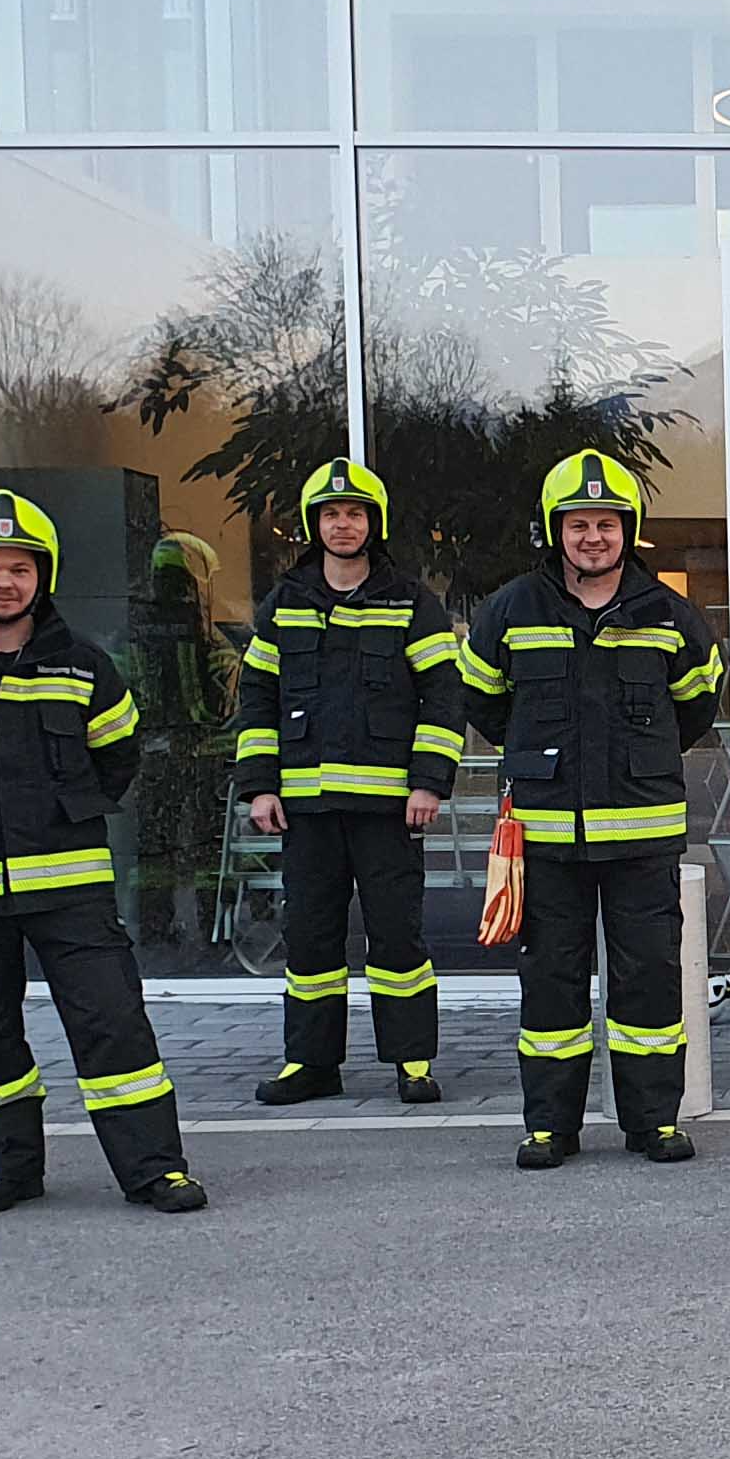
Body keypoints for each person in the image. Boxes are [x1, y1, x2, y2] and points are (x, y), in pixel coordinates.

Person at [0, 489, 207, 1216]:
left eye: (19, 568)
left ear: (42, 576)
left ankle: (155, 1169)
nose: (4, 582)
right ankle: (6, 1168)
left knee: (113, 1024)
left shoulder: (85, 667)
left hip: (70, 887)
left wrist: (61, 820)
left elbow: (117, 757)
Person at [456, 449, 724, 1168]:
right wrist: (539, 755)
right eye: (578, 525)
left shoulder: (669, 614)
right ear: (556, 531)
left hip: (643, 837)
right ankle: (550, 1126)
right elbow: (481, 697)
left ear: (627, 530)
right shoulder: (512, 609)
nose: (593, 538)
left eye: (606, 524)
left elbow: (698, 703)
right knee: (551, 982)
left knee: (649, 981)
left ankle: (653, 1123)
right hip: (546, 838)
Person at [233, 456, 464, 1107]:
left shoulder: (411, 602)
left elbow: (443, 696)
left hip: (389, 810)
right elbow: (257, 698)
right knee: (309, 937)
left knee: (396, 935)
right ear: (315, 525)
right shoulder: (285, 604)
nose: (343, 525)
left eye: (354, 513)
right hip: (306, 810)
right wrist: (260, 785)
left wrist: (429, 783)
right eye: (331, 514)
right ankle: (310, 1062)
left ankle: (411, 1059)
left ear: (373, 523)